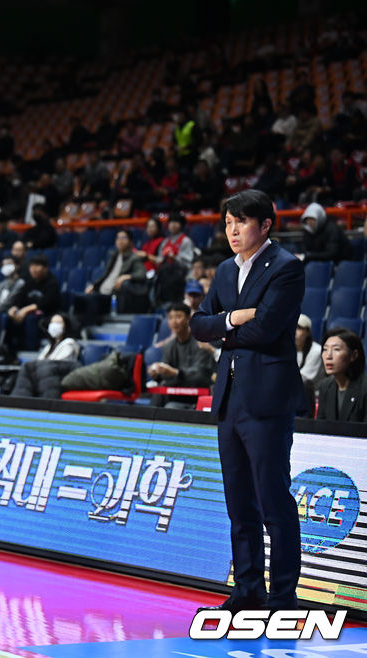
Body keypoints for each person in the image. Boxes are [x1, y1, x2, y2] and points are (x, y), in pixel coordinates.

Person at [190, 189, 307, 614]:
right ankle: (248, 590)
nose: (233, 230)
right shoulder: (225, 270)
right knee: (239, 504)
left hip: (267, 400)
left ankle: (283, 597)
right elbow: (198, 324)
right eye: (227, 223)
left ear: (266, 225)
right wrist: (233, 318)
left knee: (274, 502)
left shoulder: (287, 267)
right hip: (229, 400)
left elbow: (268, 329)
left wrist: (222, 329)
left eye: (241, 221)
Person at [148, 303, 216, 409]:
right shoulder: (168, 346)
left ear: (188, 319)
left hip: (196, 395)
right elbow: (166, 373)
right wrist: (157, 374)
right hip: (175, 392)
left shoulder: (201, 343)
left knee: (171, 407)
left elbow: (201, 376)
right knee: (157, 397)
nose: (174, 322)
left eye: (178, 317)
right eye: (170, 318)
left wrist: (176, 373)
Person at [75, 230, 147, 326]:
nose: (120, 240)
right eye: (118, 238)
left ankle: (89, 328)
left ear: (130, 242)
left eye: (123, 238)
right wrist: (94, 285)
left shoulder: (134, 258)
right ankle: (77, 328)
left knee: (92, 299)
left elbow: (142, 274)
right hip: (101, 292)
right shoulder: (113, 256)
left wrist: (125, 277)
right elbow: (105, 276)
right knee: (79, 298)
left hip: (112, 295)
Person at [10, 313, 82, 399]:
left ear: (66, 326)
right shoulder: (49, 346)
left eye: (58, 323)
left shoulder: (70, 343)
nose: (54, 325)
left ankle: (48, 400)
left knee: (47, 368)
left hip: (61, 374)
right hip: (46, 372)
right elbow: (40, 360)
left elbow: (59, 361)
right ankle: (20, 399)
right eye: (52, 322)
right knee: (27, 367)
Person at [315, 328, 366, 422]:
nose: (328, 356)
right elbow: (320, 426)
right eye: (325, 349)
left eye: (336, 349)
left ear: (354, 355)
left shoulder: (364, 387)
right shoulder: (325, 386)